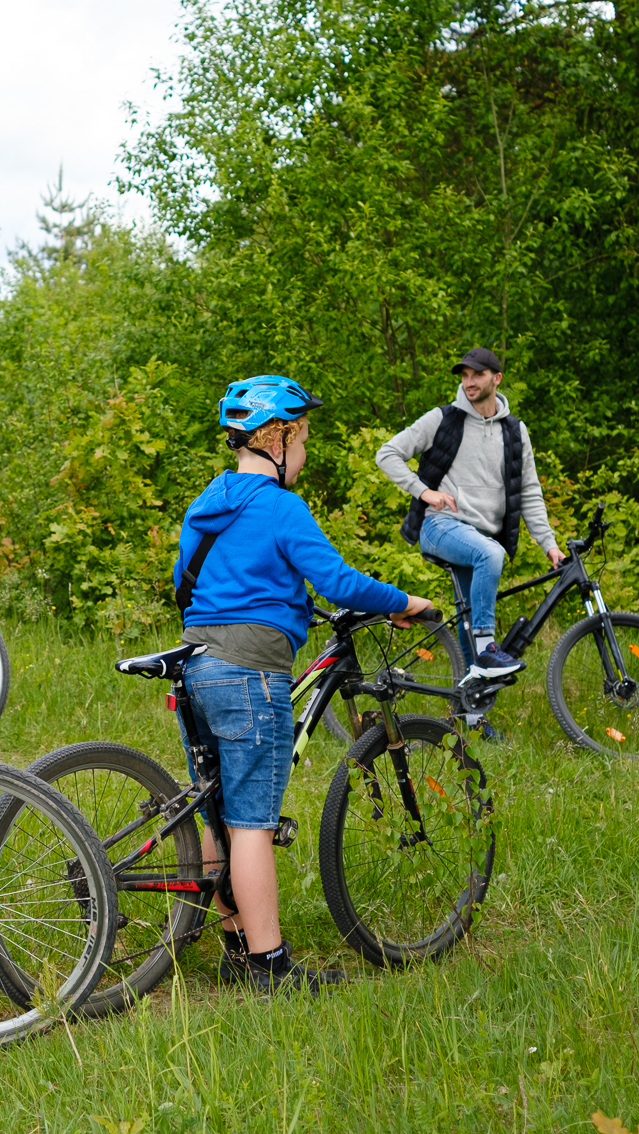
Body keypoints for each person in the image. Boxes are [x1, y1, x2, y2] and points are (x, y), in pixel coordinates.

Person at [174, 374, 433, 996]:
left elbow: (188, 582)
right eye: (305, 439)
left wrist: (279, 603)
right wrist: (404, 602)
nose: (306, 452)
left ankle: (237, 947)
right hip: (250, 672)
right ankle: (269, 965)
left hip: (197, 663)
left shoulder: (207, 502)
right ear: (278, 438)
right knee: (251, 823)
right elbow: (338, 582)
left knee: (215, 808)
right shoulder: (280, 507)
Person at [374, 347, 566, 692]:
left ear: (497, 378)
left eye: (477, 374)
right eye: (464, 375)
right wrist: (423, 491)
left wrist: (549, 544)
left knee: (468, 621)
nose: (469, 381)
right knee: (490, 555)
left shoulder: (515, 431)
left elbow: (529, 491)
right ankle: (488, 649)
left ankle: (469, 709)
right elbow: (387, 453)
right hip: (440, 526)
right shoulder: (443, 419)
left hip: (480, 537)